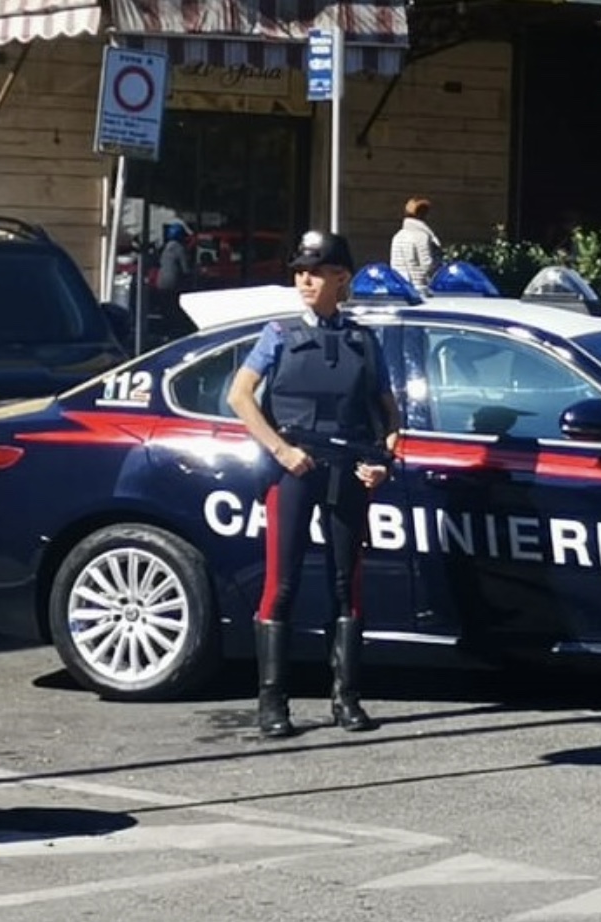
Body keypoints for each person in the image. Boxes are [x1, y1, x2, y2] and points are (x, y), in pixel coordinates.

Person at [226, 230, 403, 739]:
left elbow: (389, 415)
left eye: (317, 270)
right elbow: (240, 397)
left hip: (346, 468)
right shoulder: (278, 334)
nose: (304, 278)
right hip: (293, 470)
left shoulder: (364, 341)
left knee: (347, 584)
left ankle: (346, 700)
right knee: (281, 584)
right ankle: (272, 704)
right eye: (299, 270)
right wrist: (281, 450)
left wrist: (383, 461)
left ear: (341, 278)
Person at [389, 196, 443, 294]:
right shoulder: (421, 235)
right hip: (420, 287)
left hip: (402, 288)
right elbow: (427, 264)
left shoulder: (398, 235)